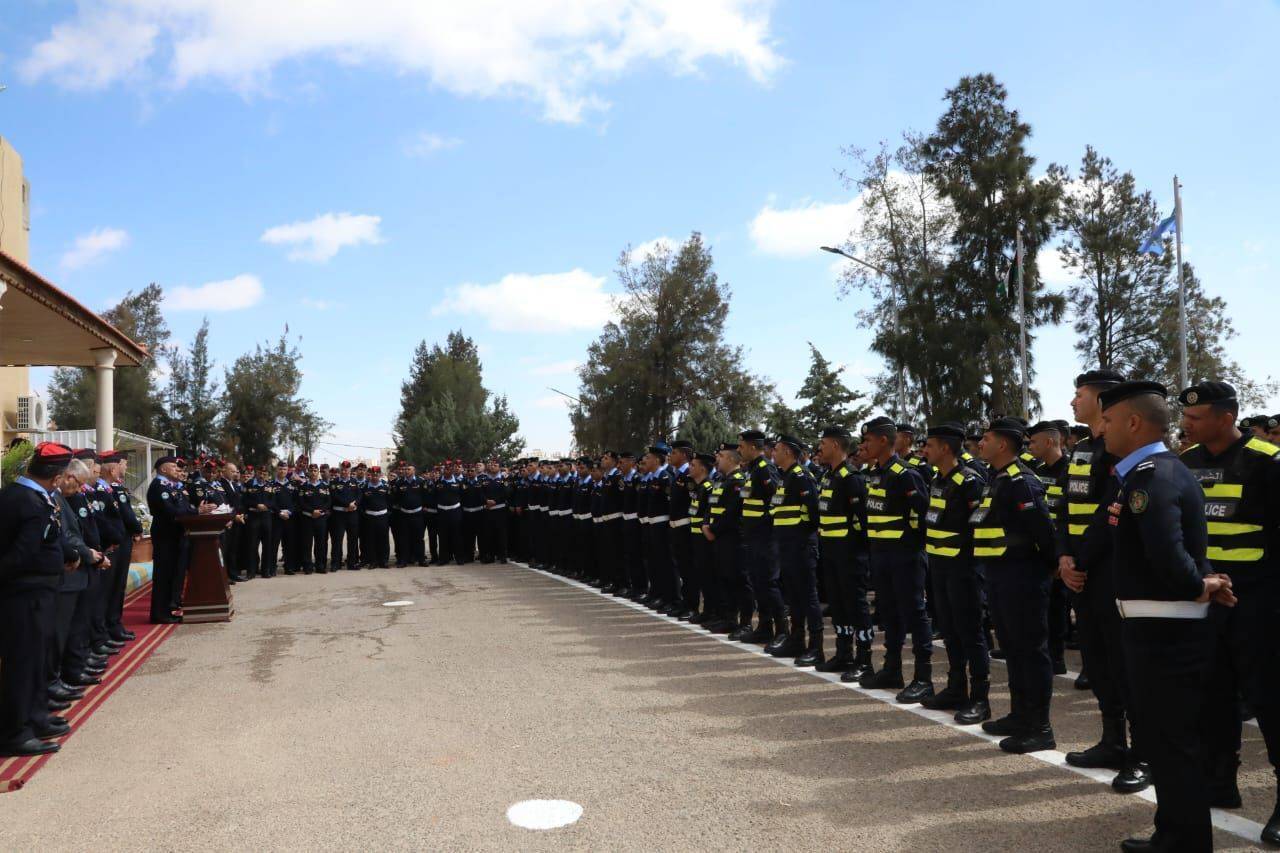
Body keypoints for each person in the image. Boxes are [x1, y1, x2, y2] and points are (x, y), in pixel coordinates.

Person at [1101, 380, 1233, 853]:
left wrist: (1199, 586)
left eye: (1109, 420)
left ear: (1134, 422)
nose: (1103, 428)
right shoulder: (1150, 473)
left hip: (1166, 630)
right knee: (1164, 741)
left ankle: (1184, 842)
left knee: (1172, 742)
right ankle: (1173, 833)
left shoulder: (1153, 476)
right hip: (1156, 625)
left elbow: (1168, 553)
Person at [1178, 381, 1280, 844]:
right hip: (1207, 599)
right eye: (1186, 417)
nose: (1187, 425)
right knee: (1212, 695)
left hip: (1257, 603)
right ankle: (1221, 780)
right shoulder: (1187, 463)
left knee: (1268, 698)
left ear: (1227, 417)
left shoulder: (1267, 461)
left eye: (1196, 418)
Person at [1058, 369, 1149, 791]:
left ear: (1101, 400)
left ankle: (1142, 754)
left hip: (1111, 570)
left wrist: (1079, 560)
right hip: (1081, 572)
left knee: (1126, 664)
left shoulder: (1119, 450)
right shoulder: (1080, 449)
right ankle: (1112, 740)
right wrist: (1063, 556)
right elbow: (1064, 506)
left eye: (1079, 394)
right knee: (1097, 662)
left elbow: (1111, 511)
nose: (1073, 402)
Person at [974, 417, 1057, 754]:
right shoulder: (996, 478)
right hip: (999, 574)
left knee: (1030, 651)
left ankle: (1040, 727)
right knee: (1012, 649)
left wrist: (1050, 568)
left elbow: (1044, 532)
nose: (981, 443)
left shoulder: (1022, 482)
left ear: (1003, 444)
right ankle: (1020, 716)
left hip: (1023, 577)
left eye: (986, 438)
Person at [0, 442, 76, 757]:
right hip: (25, 594)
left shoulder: (26, 496)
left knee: (37, 660)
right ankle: (15, 732)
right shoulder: (28, 502)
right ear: (56, 477)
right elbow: (22, 554)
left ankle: (35, 717)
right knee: (24, 663)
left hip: (36, 592)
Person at [919, 422, 990, 722]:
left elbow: (978, 528)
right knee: (950, 631)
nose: (924, 450)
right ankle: (956, 688)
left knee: (970, 633)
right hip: (940, 568)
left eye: (929, 445)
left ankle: (980, 698)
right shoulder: (938, 479)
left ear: (945, 448)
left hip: (964, 570)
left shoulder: (969, 481)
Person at [860, 416, 932, 701]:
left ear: (883, 441)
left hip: (905, 556)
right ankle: (892, 669)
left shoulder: (905, 474)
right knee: (889, 612)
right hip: (881, 554)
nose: (864, 445)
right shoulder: (875, 473)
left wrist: (911, 546)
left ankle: (923, 677)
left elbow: (923, 514)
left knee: (914, 613)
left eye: (868, 440)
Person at [811, 426, 874, 678]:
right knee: (837, 604)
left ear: (835, 446)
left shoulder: (851, 478)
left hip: (850, 555)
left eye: (823, 444)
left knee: (856, 606)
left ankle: (864, 659)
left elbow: (862, 522)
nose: (820, 448)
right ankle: (844, 653)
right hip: (830, 553)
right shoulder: (828, 476)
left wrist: (856, 551)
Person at [768, 434, 823, 665]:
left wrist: (801, 538)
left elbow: (813, 514)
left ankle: (816, 647)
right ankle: (796, 640)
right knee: (793, 596)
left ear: (788, 452)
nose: (773, 453)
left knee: (808, 596)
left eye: (777, 449)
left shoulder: (801, 477)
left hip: (800, 546)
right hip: (786, 546)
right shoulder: (784, 477)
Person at [148, 455, 216, 623]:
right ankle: (159, 613)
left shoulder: (172, 487)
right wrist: (196, 511)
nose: (177, 469)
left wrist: (195, 510)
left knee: (171, 575)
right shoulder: (159, 487)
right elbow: (171, 511)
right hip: (166, 536)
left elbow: (184, 507)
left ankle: (167, 610)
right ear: (163, 469)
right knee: (164, 575)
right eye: (173, 466)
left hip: (175, 536)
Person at [1028, 420, 1071, 675]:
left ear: (1050, 441)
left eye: (1034, 442)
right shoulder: (1035, 470)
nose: (1030, 446)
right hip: (1041, 547)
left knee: (1059, 606)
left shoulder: (1071, 470)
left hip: (1063, 548)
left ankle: (1057, 656)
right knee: (1042, 606)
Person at [738, 430, 786, 645]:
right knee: (758, 583)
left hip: (765, 538)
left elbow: (775, 501)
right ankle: (765, 627)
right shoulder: (752, 469)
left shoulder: (765, 468)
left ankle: (782, 630)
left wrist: (764, 527)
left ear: (752, 447)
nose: (739, 450)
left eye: (742, 446)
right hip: (753, 537)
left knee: (769, 584)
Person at [240, 465, 273, 578]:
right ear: (256, 473)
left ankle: (265, 570)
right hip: (253, 517)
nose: (262, 476)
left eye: (265, 474)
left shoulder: (270, 485)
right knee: (252, 545)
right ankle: (251, 571)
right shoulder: (248, 484)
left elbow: (273, 501)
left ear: (267, 475)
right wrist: (256, 505)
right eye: (260, 473)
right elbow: (244, 500)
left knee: (267, 545)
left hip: (266, 517)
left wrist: (266, 505)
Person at [297, 463, 330, 573]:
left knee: (320, 543)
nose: (313, 473)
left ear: (318, 472)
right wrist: (312, 511)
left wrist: (320, 511)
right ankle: (307, 566)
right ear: (308, 472)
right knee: (307, 543)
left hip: (320, 518)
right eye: (311, 471)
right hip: (308, 518)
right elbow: (301, 502)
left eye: (315, 471)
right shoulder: (303, 486)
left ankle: (320, 566)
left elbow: (328, 502)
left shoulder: (324, 486)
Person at [361, 465, 391, 568]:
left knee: (384, 539)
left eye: (376, 475)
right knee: (370, 540)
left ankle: (384, 561)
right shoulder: (364, 487)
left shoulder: (386, 486)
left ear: (380, 475)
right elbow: (361, 503)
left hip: (382, 517)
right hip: (370, 517)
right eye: (373, 475)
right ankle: (373, 561)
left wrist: (387, 513)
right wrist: (365, 513)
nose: (374, 477)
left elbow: (390, 501)